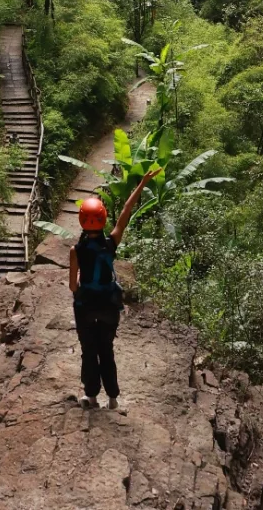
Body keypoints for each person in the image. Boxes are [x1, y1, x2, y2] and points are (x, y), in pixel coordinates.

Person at [69, 168, 160, 411]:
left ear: (81, 219)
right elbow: (125, 213)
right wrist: (142, 183)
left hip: (85, 306)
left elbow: (72, 286)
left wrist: (80, 278)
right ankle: (113, 398)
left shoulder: (75, 250)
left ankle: (91, 397)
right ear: (102, 218)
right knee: (106, 350)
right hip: (109, 305)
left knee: (89, 351)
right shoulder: (112, 242)